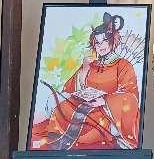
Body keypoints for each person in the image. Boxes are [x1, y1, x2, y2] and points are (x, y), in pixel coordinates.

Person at [32, 13, 140, 150]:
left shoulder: (123, 65)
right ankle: (58, 138)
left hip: (105, 110)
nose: (101, 46)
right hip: (83, 104)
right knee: (62, 108)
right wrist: (84, 69)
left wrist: (105, 101)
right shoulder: (91, 64)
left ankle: (80, 138)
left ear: (113, 40)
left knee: (93, 120)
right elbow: (70, 88)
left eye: (104, 41)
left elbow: (131, 95)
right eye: (97, 42)